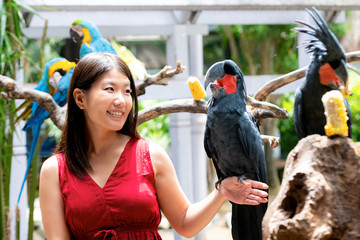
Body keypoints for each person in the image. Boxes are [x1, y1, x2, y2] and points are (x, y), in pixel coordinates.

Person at [39, 52, 268, 240]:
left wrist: (222, 193)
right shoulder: (54, 171)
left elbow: (185, 223)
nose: (122, 100)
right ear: (80, 99)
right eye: (110, 89)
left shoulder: (151, 155)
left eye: (127, 91)